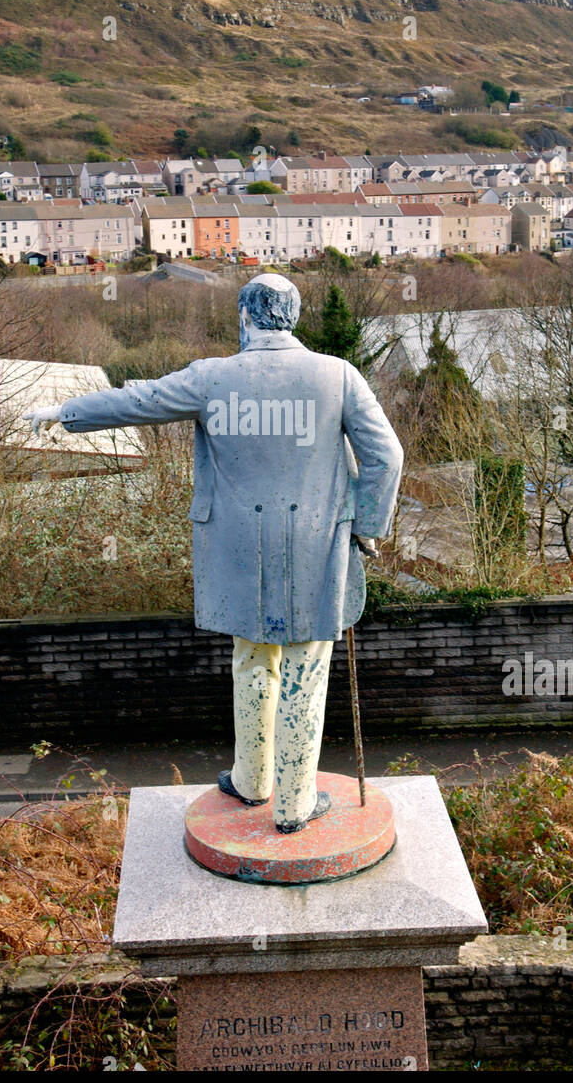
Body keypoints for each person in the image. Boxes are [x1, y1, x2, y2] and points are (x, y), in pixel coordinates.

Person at [24, 273, 403, 833]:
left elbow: (139, 398)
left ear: (246, 318)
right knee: (305, 668)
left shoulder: (213, 377)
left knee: (252, 660)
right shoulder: (338, 375)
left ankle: (253, 782)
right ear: (292, 317)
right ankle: (296, 805)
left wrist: (65, 411)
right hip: (317, 548)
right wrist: (368, 527)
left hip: (237, 550)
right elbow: (386, 458)